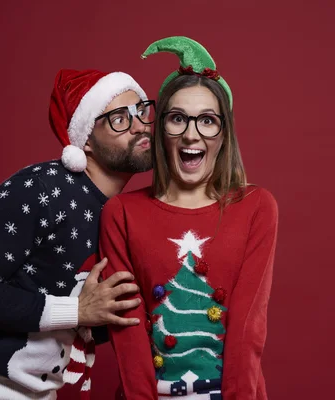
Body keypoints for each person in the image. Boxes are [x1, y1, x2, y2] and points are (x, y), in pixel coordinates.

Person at [0, 68, 155, 400]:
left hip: (38, 393)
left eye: (141, 111)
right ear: (86, 139)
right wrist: (78, 311)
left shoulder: (117, 213)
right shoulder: (41, 188)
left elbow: (76, 312)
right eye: (119, 117)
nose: (138, 125)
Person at [99, 36, 278, 399]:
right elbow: (128, 334)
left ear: (224, 133)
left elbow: (247, 327)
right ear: (160, 129)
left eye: (208, 120)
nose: (191, 134)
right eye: (178, 119)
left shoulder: (256, 207)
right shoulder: (121, 213)